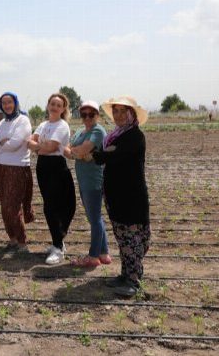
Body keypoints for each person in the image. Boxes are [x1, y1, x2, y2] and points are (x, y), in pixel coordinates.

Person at [91, 95, 150, 297]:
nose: (118, 115)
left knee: (132, 239)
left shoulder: (135, 136)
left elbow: (114, 156)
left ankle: (133, 281)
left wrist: (106, 153)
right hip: (116, 196)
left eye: (123, 111)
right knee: (122, 238)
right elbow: (101, 156)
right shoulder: (114, 136)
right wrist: (106, 153)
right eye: (115, 111)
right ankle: (125, 275)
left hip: (131, 197)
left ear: (131, 114)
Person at [28, 93, 76, 265]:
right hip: (42, 167)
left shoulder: (62, 125)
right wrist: (41, 147)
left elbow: (51, 147)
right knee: (49, 205)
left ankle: (58, 246)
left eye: (58, 105)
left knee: (54, 207)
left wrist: (38, 147)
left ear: (63, 109)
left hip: (56, 167)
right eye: (52, 104)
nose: (55, 107)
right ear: (48, 105)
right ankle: (58, 242)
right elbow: (29, 142)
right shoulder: (43, 125)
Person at [64, 100, 111, 268]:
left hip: (93, 180)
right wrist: (79, 154)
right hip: (83, 179)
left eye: (91, 114)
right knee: (94, 217)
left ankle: (93, 256)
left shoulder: (98, 131)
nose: (87, 117)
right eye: (84, 114)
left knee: (94, 218)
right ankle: (104, 253)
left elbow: (80, 150)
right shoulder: (79, 131)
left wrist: (78, 152)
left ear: (97, 115)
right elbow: (67, 150)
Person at [0, 92, 34, 253]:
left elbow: (15, 144)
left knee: (12, 206)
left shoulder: (23, 120)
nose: (7, 105)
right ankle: (12, 238)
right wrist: (1, 143)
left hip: (17, 167)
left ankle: (22, 242)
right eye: (4, 103)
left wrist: (0, 144)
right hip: (0, 166)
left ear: (15, 103)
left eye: (10, 102)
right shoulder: (2, 123)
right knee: (4, 205)